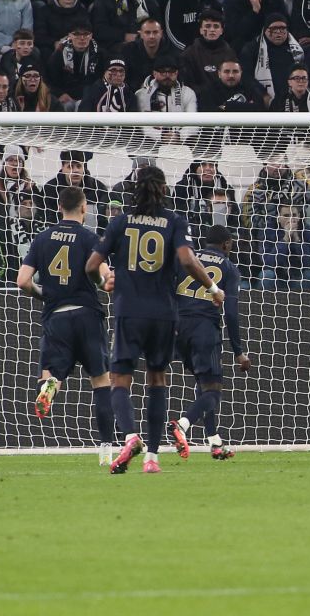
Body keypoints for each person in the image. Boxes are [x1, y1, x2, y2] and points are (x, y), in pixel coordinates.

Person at [86, 166, 224, 475]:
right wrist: (213, 288)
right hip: (163, 313)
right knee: (157, 380)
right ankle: (152, 457)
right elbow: (187, 259)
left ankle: (130, 435)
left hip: (128, 310)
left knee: (119, 380)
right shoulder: (174, 221)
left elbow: (92, 264)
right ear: (163, 189)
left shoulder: (120, 222)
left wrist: (104, 281)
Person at [15, 187, 117, 466]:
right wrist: (107, 281)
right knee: (101, 381)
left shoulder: (42, 238)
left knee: (52, 374)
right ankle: (106, 451)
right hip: (86, 314)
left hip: (56, 315)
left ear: (59, 207)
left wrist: (44, 295)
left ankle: (50, 386)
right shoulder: (89, 238)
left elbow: (23, 280)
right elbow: (106, 276)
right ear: (84, 209)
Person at [169, 224, 249, 461]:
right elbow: (231, 312)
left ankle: (215, 442)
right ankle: (182, 424)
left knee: (203, 384)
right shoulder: (229, 268)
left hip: (179, 329)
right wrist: (239, 352)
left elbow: (169, 289)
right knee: (213, 390)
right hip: (204, 329)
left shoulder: (188, 259)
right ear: (226, 244)